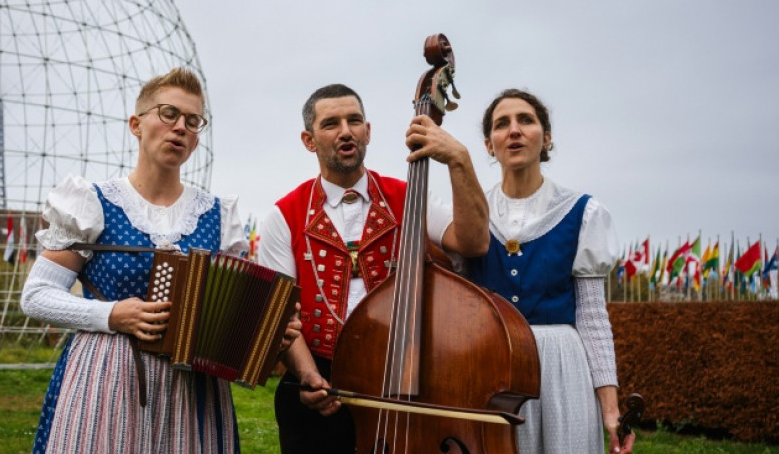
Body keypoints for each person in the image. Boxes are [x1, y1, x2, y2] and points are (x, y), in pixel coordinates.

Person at [21, 67, 301, 454]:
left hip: (195, 392)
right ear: (136, 124)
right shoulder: (93, 202)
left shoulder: (218, 216)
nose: (180, 127)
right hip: (107, 376)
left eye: (192, 120)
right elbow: (36, 295)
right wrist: (111, 314)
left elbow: (228, 322)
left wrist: (267, 335)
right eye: (168, 114)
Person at [258, 83, 489, 454]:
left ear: (368, 131)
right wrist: (306, 374)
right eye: (331, 123)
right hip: (317, 383)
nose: (346, 131)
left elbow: (474, 241)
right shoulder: (283, 216)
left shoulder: (410, 194)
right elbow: (283, 313)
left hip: (405, 377)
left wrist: (460, 160)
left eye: (354, 120)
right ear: (309, 139)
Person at [435, 88, 635, 454]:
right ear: (488, 144)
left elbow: (592, 317)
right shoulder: (469, 216)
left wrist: (611, 410)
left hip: (563, 370)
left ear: (547, 137)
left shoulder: (582, 211)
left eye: (526, 120)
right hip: (491, 370)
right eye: (502, 124)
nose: (514, 130)